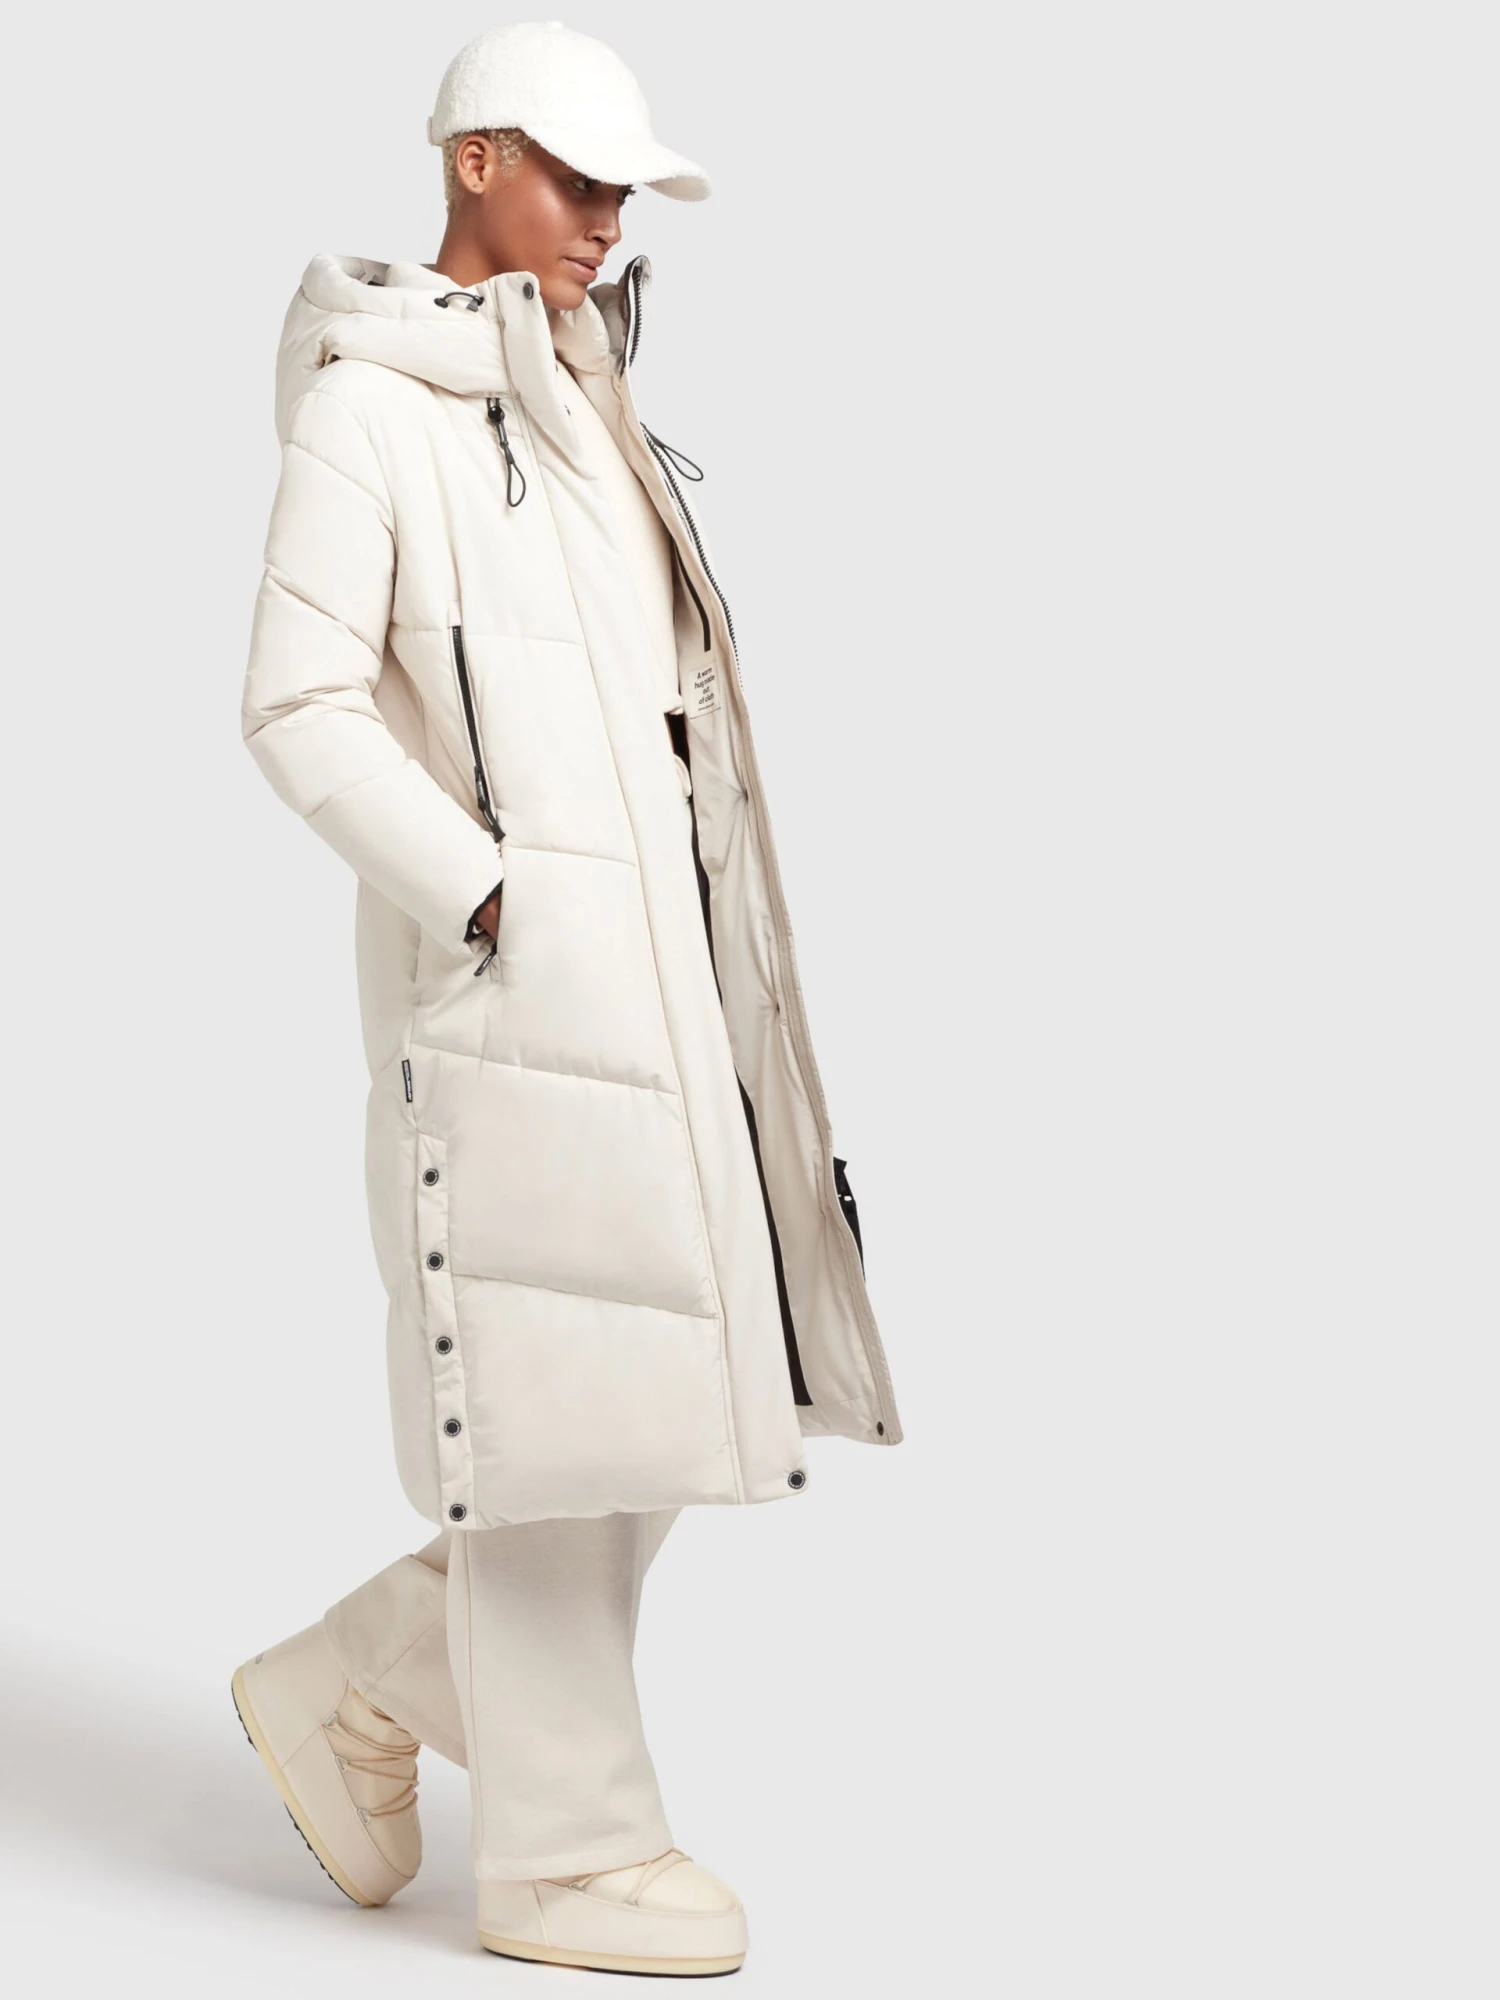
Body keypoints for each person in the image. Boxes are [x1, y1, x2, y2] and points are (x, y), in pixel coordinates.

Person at [234, 20, 901, 1976]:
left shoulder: (584, 385)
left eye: (626, 190)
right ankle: (565, 1855)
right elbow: (295, 704)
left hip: (667, 978)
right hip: (512, 990)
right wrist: (494, 892)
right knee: (551, 1402)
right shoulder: (373, 410)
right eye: (580, 179)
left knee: (664, 1387)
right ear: (475, 163)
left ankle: (357, 1677)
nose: (609, 219)